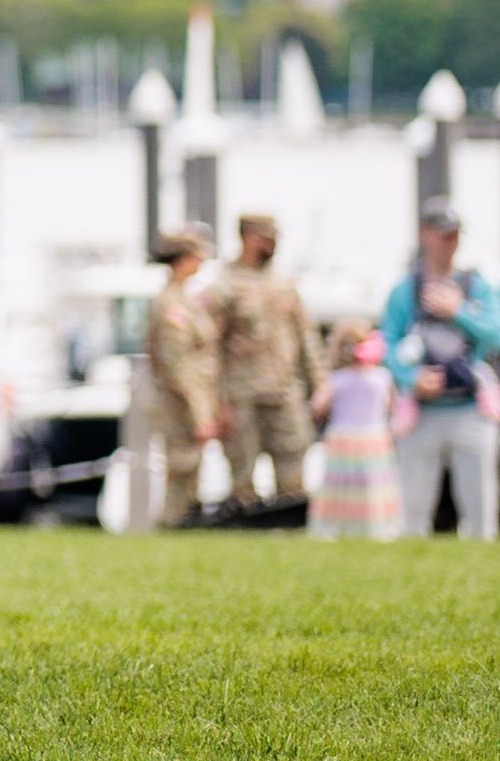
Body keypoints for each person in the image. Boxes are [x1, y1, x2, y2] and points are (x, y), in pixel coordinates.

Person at [382, 220, 493, 541]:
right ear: (425, 235)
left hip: (471, 408)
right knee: (413, 510)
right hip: (421, 410)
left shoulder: (477, 287)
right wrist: (410, 378)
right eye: (443, 235)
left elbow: (495, 335)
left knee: (480, 508)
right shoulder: (406, 290)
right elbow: (388, 341)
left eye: (455, 235)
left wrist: (458, 311)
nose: (450, 243)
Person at [209, 217, 321, 515]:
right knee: (242, 468)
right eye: (266, 237)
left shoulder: (283, 283)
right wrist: (217, 401)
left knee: (293, 459)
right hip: (241, 392)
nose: (272, 244)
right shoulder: (225, 284)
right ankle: (246, 525)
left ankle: (291, 520)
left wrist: (320, 382)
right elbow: (210, 349)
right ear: (248, 237)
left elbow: (305, 337)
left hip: (283, 389)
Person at [121, 229, 221, 531]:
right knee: (181, 466)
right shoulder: (171, 304)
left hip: (190, 397)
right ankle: (173, 523)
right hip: (178, 401)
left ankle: (181, 521)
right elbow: (178, 366)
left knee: (189, 468)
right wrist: (199, 412)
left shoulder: (184, 299)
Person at [312, 330, 401, 541]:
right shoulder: (380, 377)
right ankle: (373, 528)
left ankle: (342, 527)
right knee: (366, 485)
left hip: (351, 437)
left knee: (347, 486)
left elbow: (318, 406)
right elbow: (390, 404)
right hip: (366, 437)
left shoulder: (339, 378)